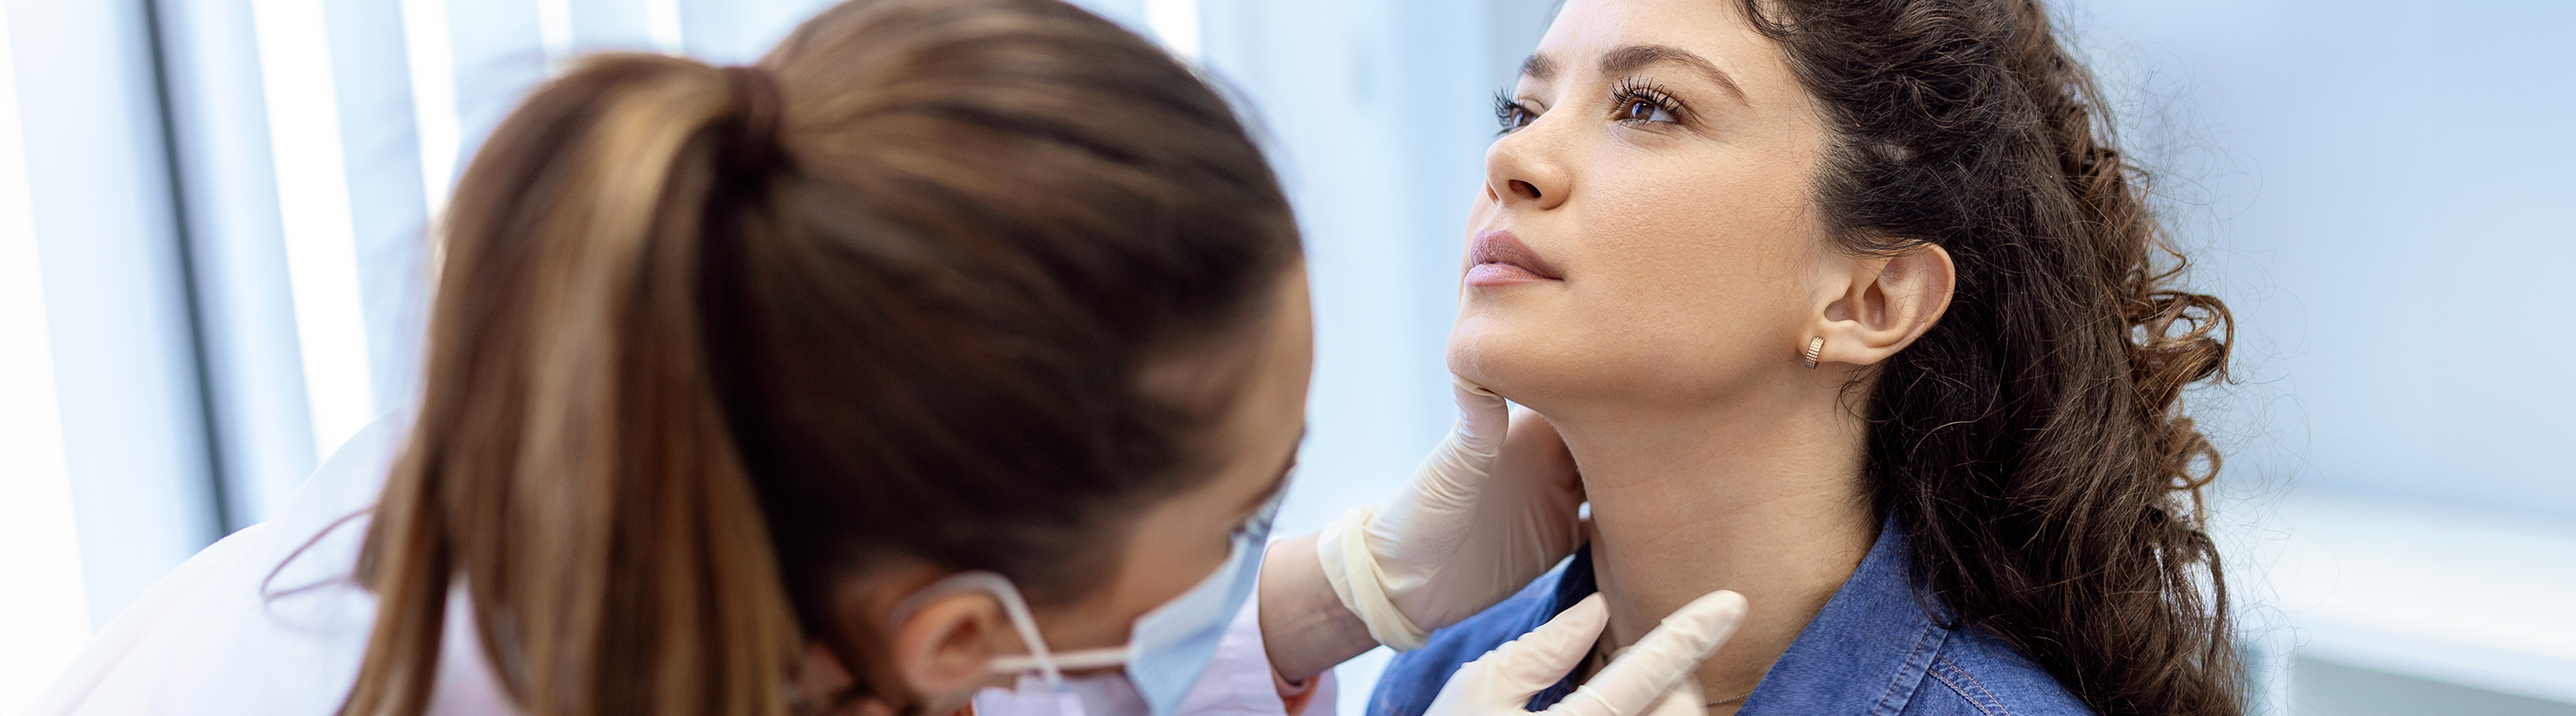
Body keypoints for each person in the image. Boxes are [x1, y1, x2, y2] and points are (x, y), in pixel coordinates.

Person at [30, 2, 1750, 716]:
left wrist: (1340, 592)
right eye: (1243, 518)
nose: (1514, 163)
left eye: (1656, 103)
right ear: (955, 637)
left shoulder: (697, 449)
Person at [1368, 0, 2241, 714]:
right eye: (1522, 109)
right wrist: (1339, 595)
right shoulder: (1445, 681)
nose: (1511, 156)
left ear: (1871, 298)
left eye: (1648, 106)